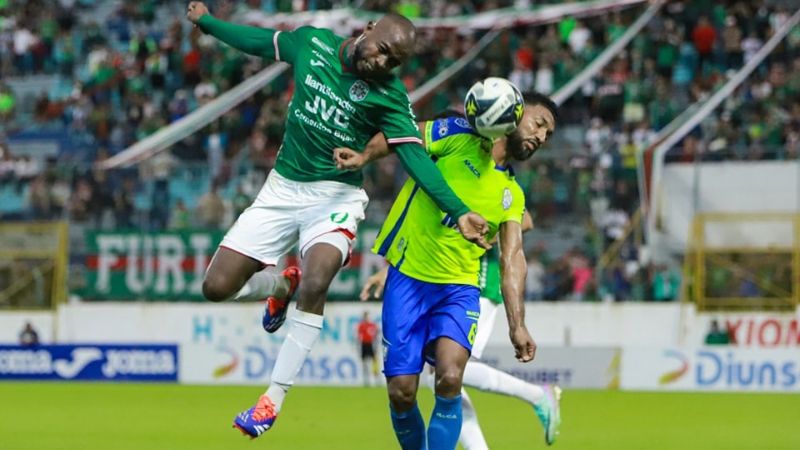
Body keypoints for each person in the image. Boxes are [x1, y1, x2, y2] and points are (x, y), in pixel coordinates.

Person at [185, 3, 490, 439]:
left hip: (336, 197)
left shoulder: (389, 96)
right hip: (281, 191)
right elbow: (259, 42)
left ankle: (272, 399)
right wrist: (208, 23)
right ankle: (278, 286)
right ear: (367, 30)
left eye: (394, 61)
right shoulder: (313, 44)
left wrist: (458, 211)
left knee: (318, 279)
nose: (382, 62)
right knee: (216, 288)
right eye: (382, 49)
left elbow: (415, 158)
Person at [335, 90, 558, 449]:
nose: (541, 137)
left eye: (548, 135)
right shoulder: (456, 135)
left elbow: (514, 258)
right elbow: (402, 136)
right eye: (539, 124)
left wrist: (518, 324)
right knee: (402, 392)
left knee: (450, 376)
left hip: (459, 289)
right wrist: (364, 156)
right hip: (408, 280)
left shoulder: (512, 194)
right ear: (513, 112)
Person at [356, 311, 380, 386]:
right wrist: (358, 347)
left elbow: (376, 335)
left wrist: (376, 346)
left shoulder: (373, 325)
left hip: (371, 344)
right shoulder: (361, 326)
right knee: (364, 363)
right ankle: (366, 380)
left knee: (374, 362)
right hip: (364, 344)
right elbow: (359, 337)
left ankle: (377, 379)